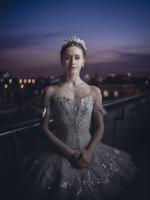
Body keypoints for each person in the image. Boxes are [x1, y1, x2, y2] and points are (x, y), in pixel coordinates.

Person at [19, 36, 138, 200]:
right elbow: (44, 128)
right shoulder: (50, 91)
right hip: (60, 153)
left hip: (90, 151)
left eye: (77, 57)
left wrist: (89, 152)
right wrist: (69, 154)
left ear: (83, 61)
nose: (72, 62)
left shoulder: (94, 91)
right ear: (62, 60)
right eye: (67, 57)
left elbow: (100, 126)